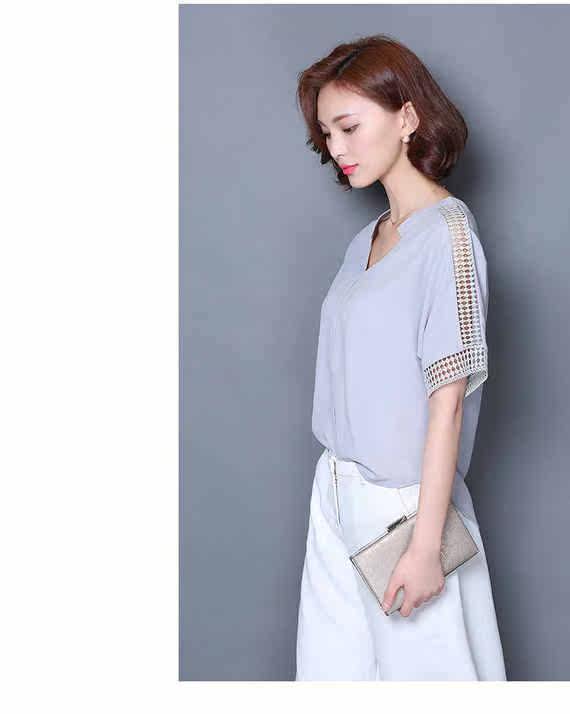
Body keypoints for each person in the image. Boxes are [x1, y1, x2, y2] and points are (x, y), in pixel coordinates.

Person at [294, 34, 507, 681]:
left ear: (407, 116)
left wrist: (425, 546)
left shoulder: (449, 237)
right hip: (335, 491)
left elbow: (448, 407)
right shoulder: (368, 237)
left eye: (349, 127)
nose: (337, 148)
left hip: (405, 509)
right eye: (327, 133)